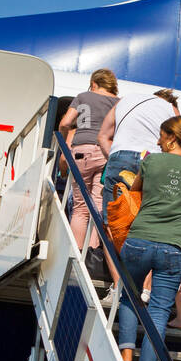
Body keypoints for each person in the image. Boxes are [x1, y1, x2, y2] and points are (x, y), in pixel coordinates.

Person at [116, 117, 181, 361]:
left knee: (129, 298)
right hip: (174, 247)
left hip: (141, 238)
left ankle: (126, 359)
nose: (157, 141)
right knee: (158, 311)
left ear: (170, 138)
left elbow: (136, 190)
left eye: (160, 135)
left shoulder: (152, 161)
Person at [58, 69, 118, 250]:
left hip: (81, 152)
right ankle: (91, 252)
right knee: (98, 205)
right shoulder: (118, 103)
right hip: (106, 154)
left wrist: (63, 142)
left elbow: (65, 123)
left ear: (94, 83)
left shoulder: (84, 96)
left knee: (80, 207)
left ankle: (76, 251)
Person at [97, 88, 180, 212]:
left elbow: (103, 136)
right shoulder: (171, 109)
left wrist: (116, 159)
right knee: (143, 216)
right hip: (153, 161)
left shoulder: (127, 99)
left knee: (114, 219)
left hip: (121, 155)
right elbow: (180, 145)